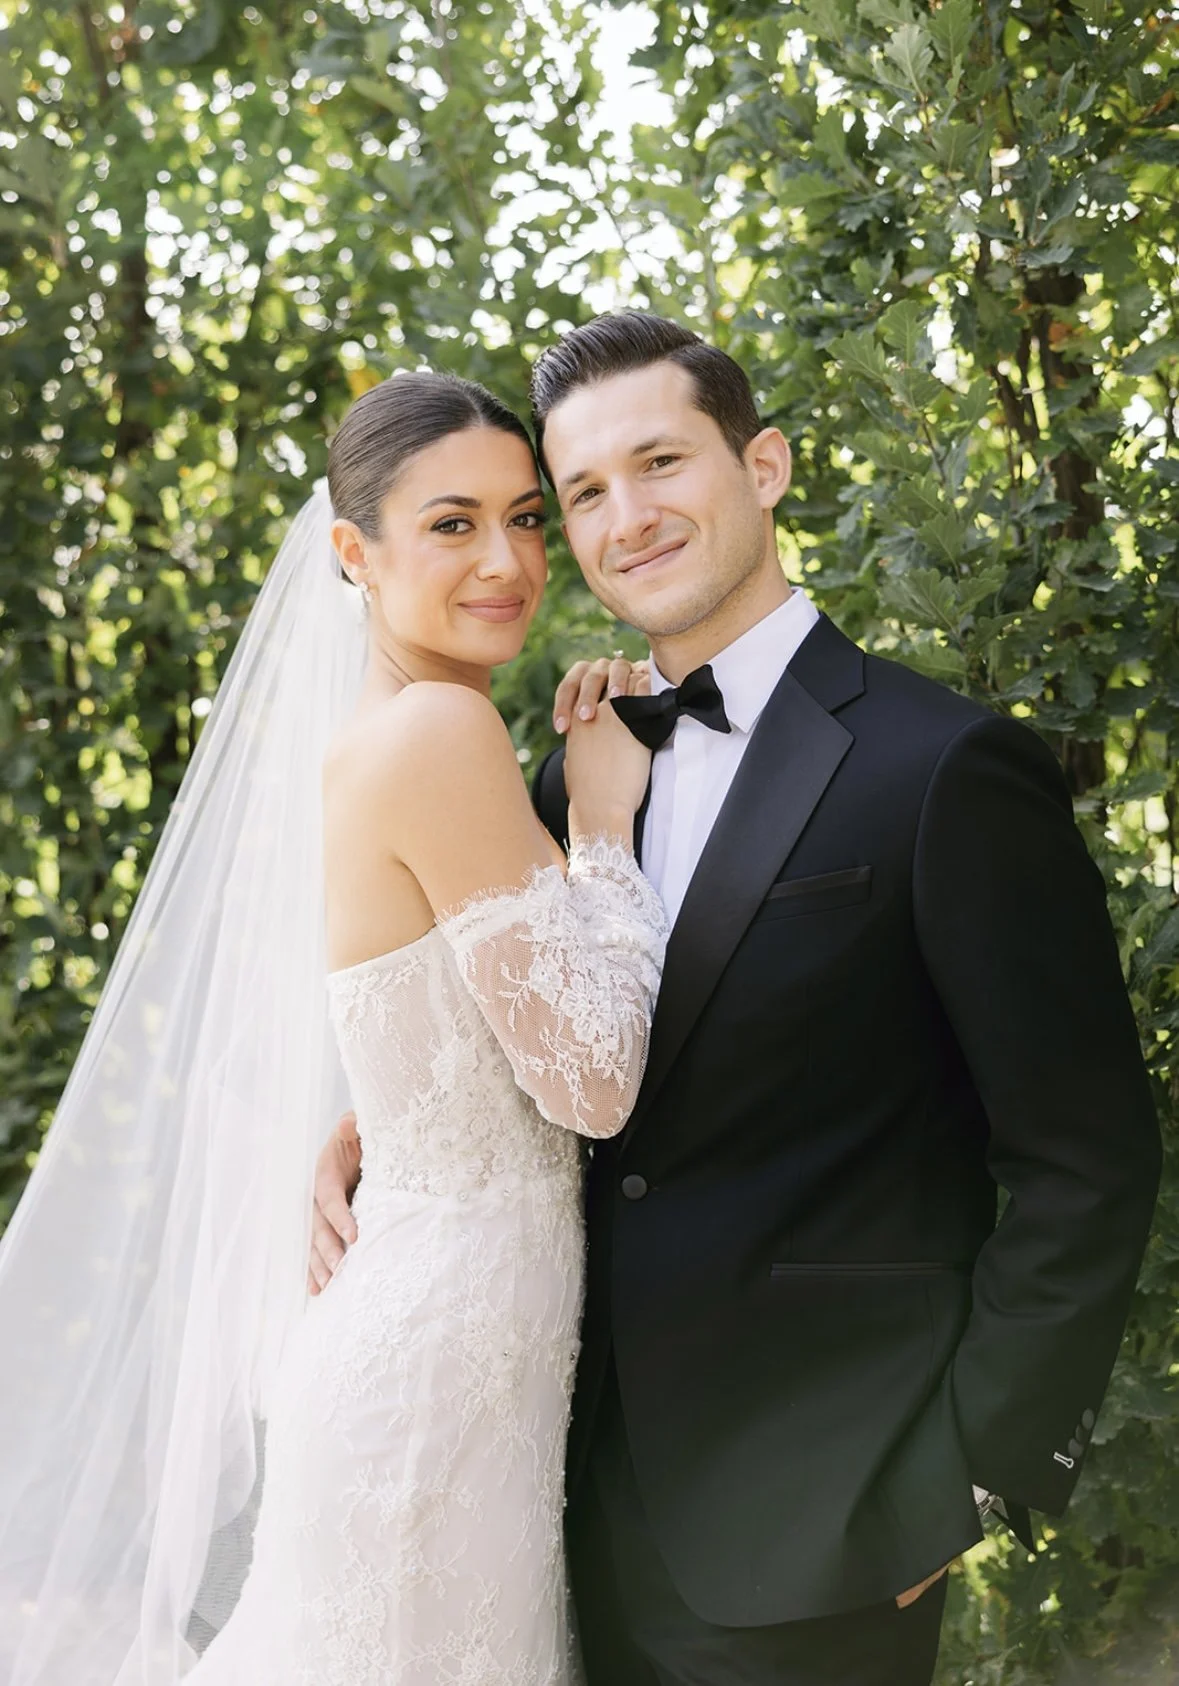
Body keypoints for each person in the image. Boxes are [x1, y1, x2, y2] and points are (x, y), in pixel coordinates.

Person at [313, 314, 1161, 1686]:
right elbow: (529, 1043)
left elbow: (1086, 1162)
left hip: (828, 1523)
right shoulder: (560, 773)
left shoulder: (942, 769)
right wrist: (367, 1126)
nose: (624, 515)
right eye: (581, 492)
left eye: (660, 461)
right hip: (546, 1500)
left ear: (760, 464)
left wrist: (972, 1479)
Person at [0, 371, 667, 1685]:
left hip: (453, 1351)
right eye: (453, 523)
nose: (509, 560)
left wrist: (362, 1124)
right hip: (434, 1378)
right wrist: (602, 829)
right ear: (354, 553)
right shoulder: (436, 730)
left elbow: (443, 1026)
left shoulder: (385, 730)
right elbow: (592, 1081)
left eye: (525, 517)